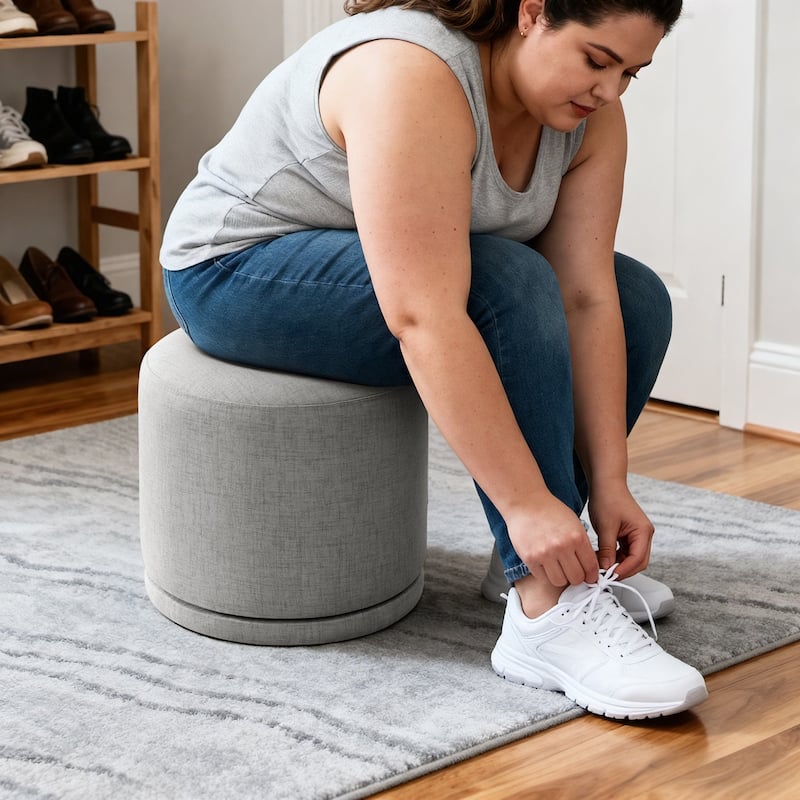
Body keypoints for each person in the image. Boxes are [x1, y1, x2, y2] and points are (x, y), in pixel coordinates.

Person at [160, 0, 708, 719]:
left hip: (391, 275)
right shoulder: (410, 71)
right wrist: (521, 503)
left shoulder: (590, 116)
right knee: (508, 283)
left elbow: (588, 299)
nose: (609, 90)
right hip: (238, 271)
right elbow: (423, 314)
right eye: (597, 60)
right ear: (532, 12)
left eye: (631, 73)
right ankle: (545, 611)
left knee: (636, 295)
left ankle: (540, 560)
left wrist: (607, 485)